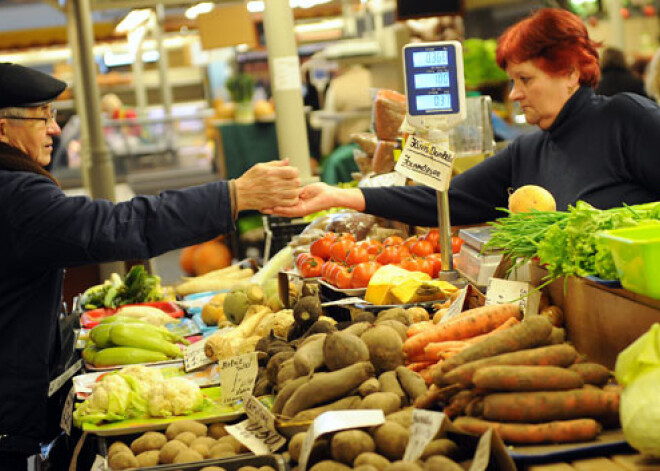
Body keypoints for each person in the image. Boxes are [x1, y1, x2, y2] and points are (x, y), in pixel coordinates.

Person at [0, 62, 301, 469]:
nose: (54, 128)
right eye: (44, 116)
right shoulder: (17, 195)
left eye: (54, 115)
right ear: (3, 129)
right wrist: (232, 196)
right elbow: (118, 225)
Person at [268, 8, 660, 228]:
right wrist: (343, 196)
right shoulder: (529, 151)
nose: (515, 94)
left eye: (525, 79)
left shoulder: (626, 120)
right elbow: (445, 199)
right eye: (512, 80)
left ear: (571, 72)